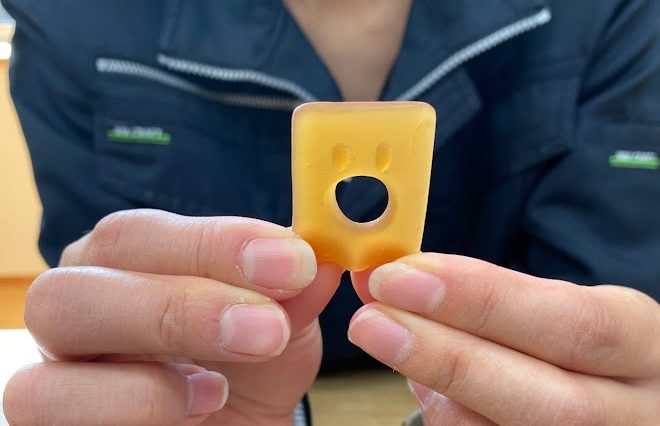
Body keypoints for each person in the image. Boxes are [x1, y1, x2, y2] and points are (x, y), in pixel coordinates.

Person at [2, 0, 659, 424]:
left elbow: (613, 311)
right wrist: (146, 371)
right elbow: (111, 326)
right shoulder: (68, 21)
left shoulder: (610, 14)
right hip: (237, 395)